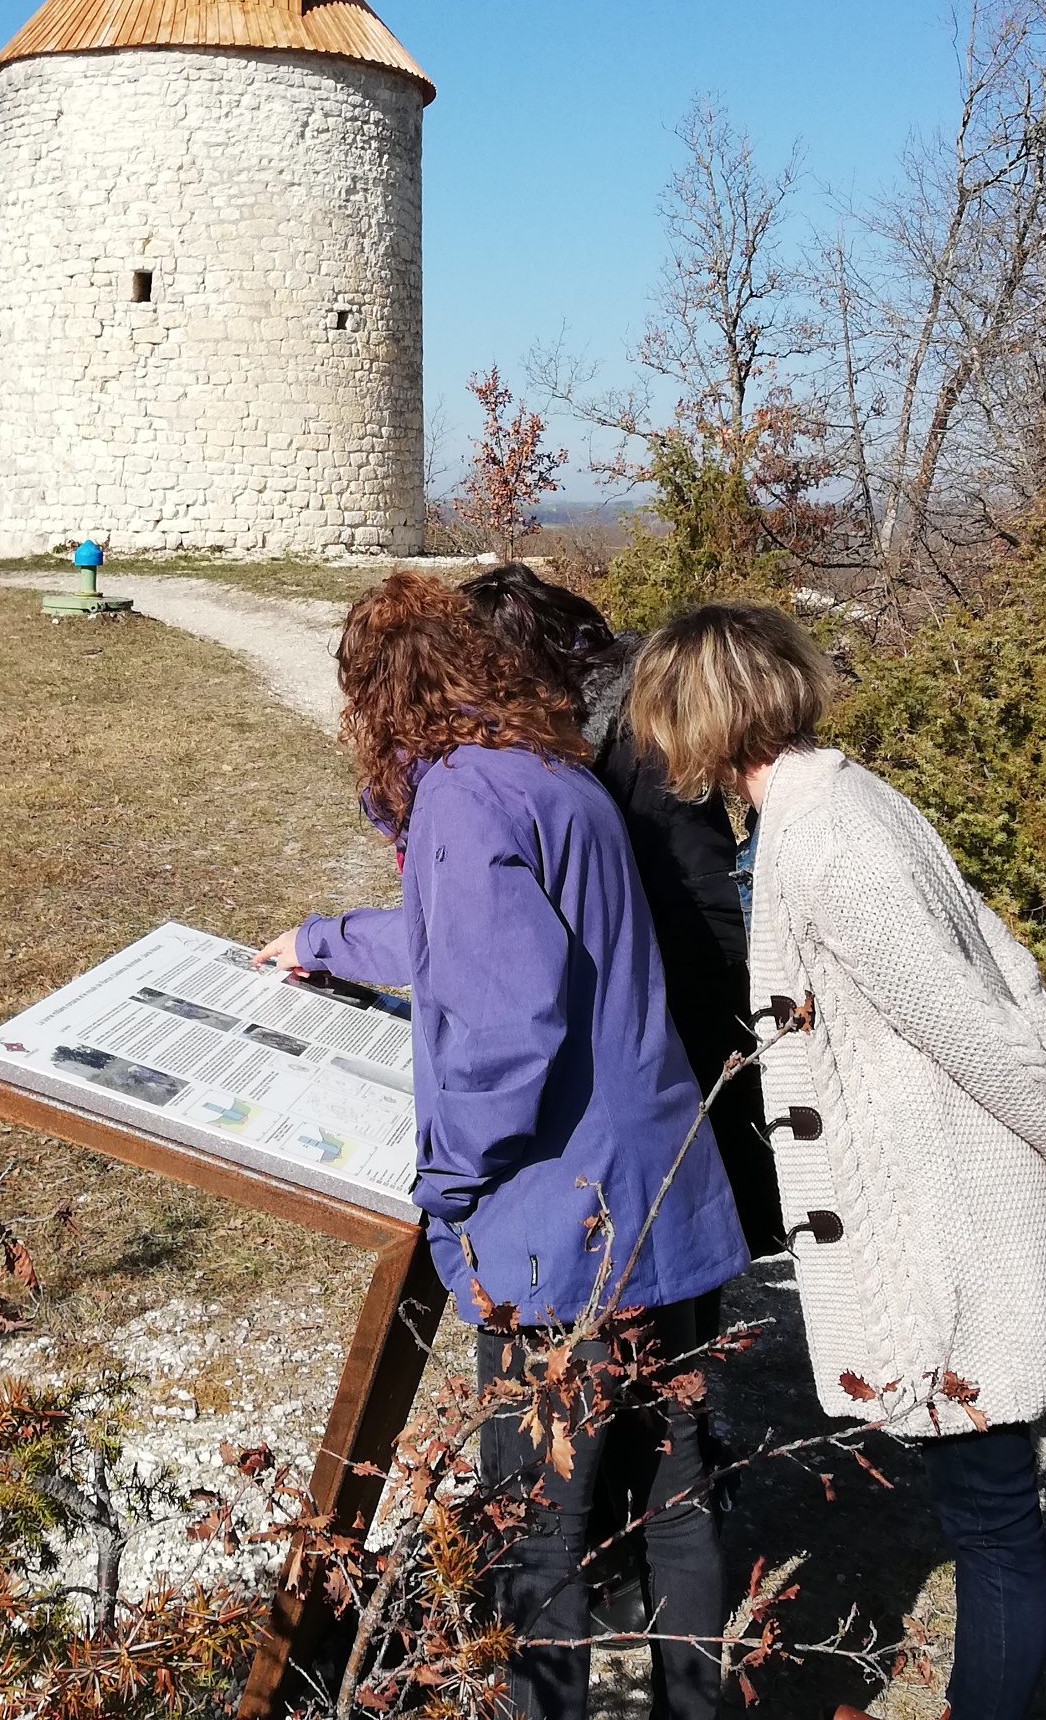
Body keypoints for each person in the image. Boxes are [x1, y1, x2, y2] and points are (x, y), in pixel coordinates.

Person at [626, 601, 1046, 1720]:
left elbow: (962, 1011)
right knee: (991, 1506)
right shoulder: (844, 797)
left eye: (662, 719)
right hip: (957, 1183)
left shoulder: (828, 838)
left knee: (996, 1523)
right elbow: (1000, 967)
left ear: (701, 718)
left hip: (953, 1209)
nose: (654, 746)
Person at [254, 571, 747, 1720]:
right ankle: (677, 1709)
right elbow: (462, 937)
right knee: (670, 1493)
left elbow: (507, 1024)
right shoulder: (548, 776)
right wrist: (323, 939)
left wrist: (448, 1181)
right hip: (654, 1196)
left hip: (556, 1224)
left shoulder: (466, 801)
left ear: (380, 700)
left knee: (543, 1523)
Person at [461, 563, 782, 1260]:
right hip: (635, 1016)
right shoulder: (577, 735)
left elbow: (704, 897)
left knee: (677, 1226)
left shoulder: (638, 735)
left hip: (673, 1016)